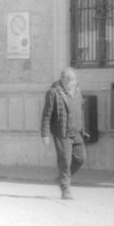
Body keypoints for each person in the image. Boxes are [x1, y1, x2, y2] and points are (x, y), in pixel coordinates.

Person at [41, 67, 89, 199]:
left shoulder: (77, 90)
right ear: (63, 79)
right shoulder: (53, 92)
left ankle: (63, 178)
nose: (73, 82)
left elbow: (80, 111)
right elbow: (46, 115)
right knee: (65, 161)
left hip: (76, 132)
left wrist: (83, 129)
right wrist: (45, 134)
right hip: (62, 133)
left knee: (80, 158)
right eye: (71, 80)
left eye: (74, 80)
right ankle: (65, 189)